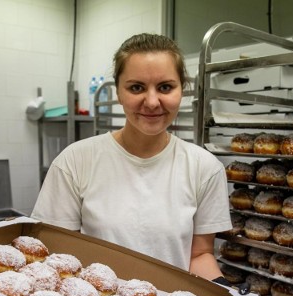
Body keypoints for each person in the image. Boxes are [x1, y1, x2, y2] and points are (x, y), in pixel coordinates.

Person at [32, 33, 232, 282]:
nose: (151, 102)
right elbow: (59, 253)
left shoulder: (204, 168)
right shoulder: (75, 161)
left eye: (165, 87)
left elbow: (199, 254)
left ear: (183, 89)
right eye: (136, 87)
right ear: (118, 91)